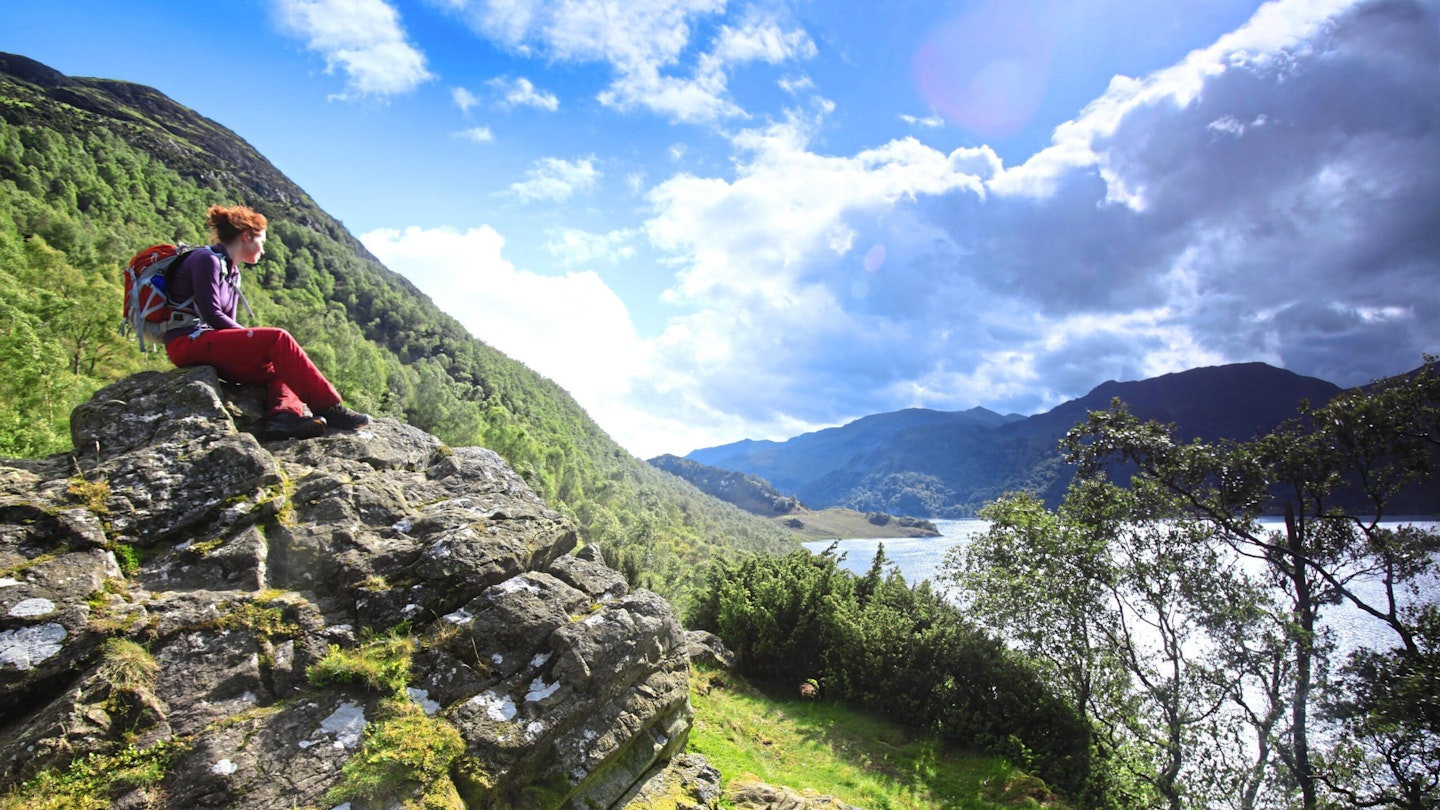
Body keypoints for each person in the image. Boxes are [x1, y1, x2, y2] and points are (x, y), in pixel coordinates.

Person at [164, 204, 371, 441]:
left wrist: (252, 343)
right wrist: (256, 342)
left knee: (284, 366)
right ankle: (330, 408)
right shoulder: (206, 259)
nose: (263, 249)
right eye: (262, 242)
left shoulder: (232, 273)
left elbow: (226, 322)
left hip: (209, 344)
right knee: (277, 339)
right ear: (246, 236)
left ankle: (282, 419)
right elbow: (212, 314)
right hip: (187, 341)